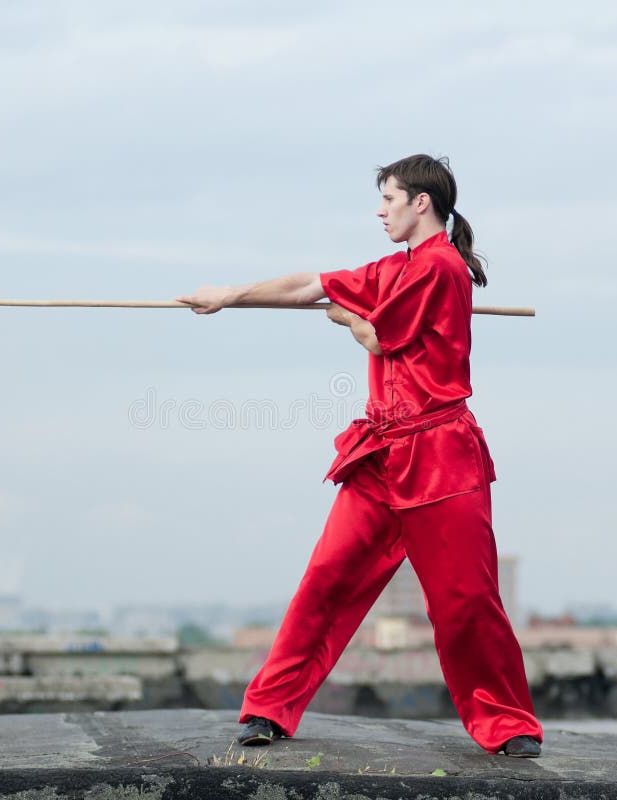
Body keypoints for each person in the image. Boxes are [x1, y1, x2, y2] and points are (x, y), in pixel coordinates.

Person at [176, 154, 543, 758]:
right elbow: (309, 285)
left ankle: (508, 724)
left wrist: (348, 314)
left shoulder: (441, 267)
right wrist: (229, 295)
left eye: (389, 198)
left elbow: (374, 334)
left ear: (421, 202)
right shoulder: (394, 269)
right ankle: (268, 709)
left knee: (466, 600)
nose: (380, 210)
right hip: (381, 456)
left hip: (441, 457)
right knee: (327, 580)